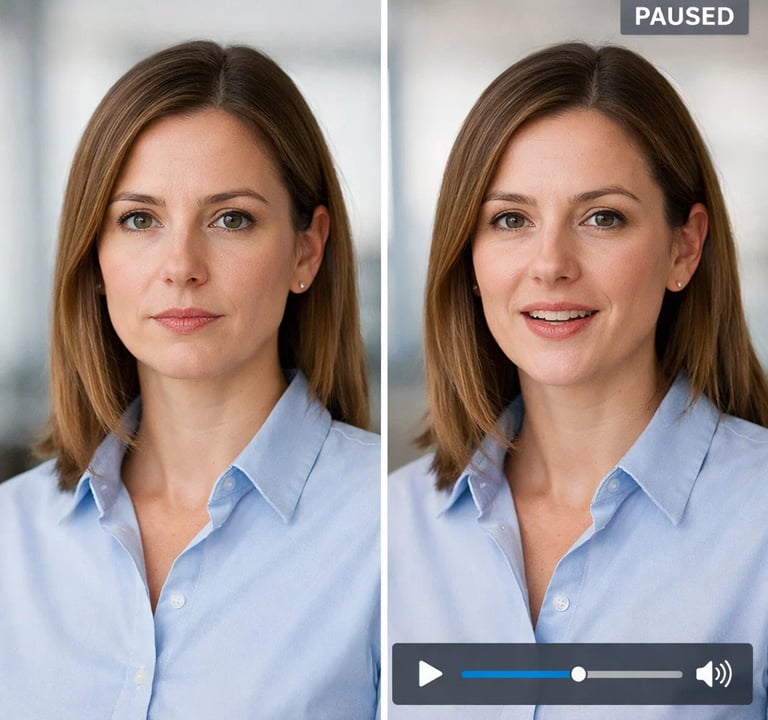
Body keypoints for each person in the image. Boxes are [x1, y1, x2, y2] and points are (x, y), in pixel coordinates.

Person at [0, 40, 379, 719]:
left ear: (306, 250)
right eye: (139, 219)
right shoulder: (12, 539)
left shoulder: (400, 531)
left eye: (231, 219)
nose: (181, 265)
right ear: (95, 260)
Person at [389, 42, 768, 718]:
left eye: (603, 217)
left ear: (685, 247)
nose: (551, 264)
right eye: (511, 219)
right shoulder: (389, 531)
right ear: (469, 259)